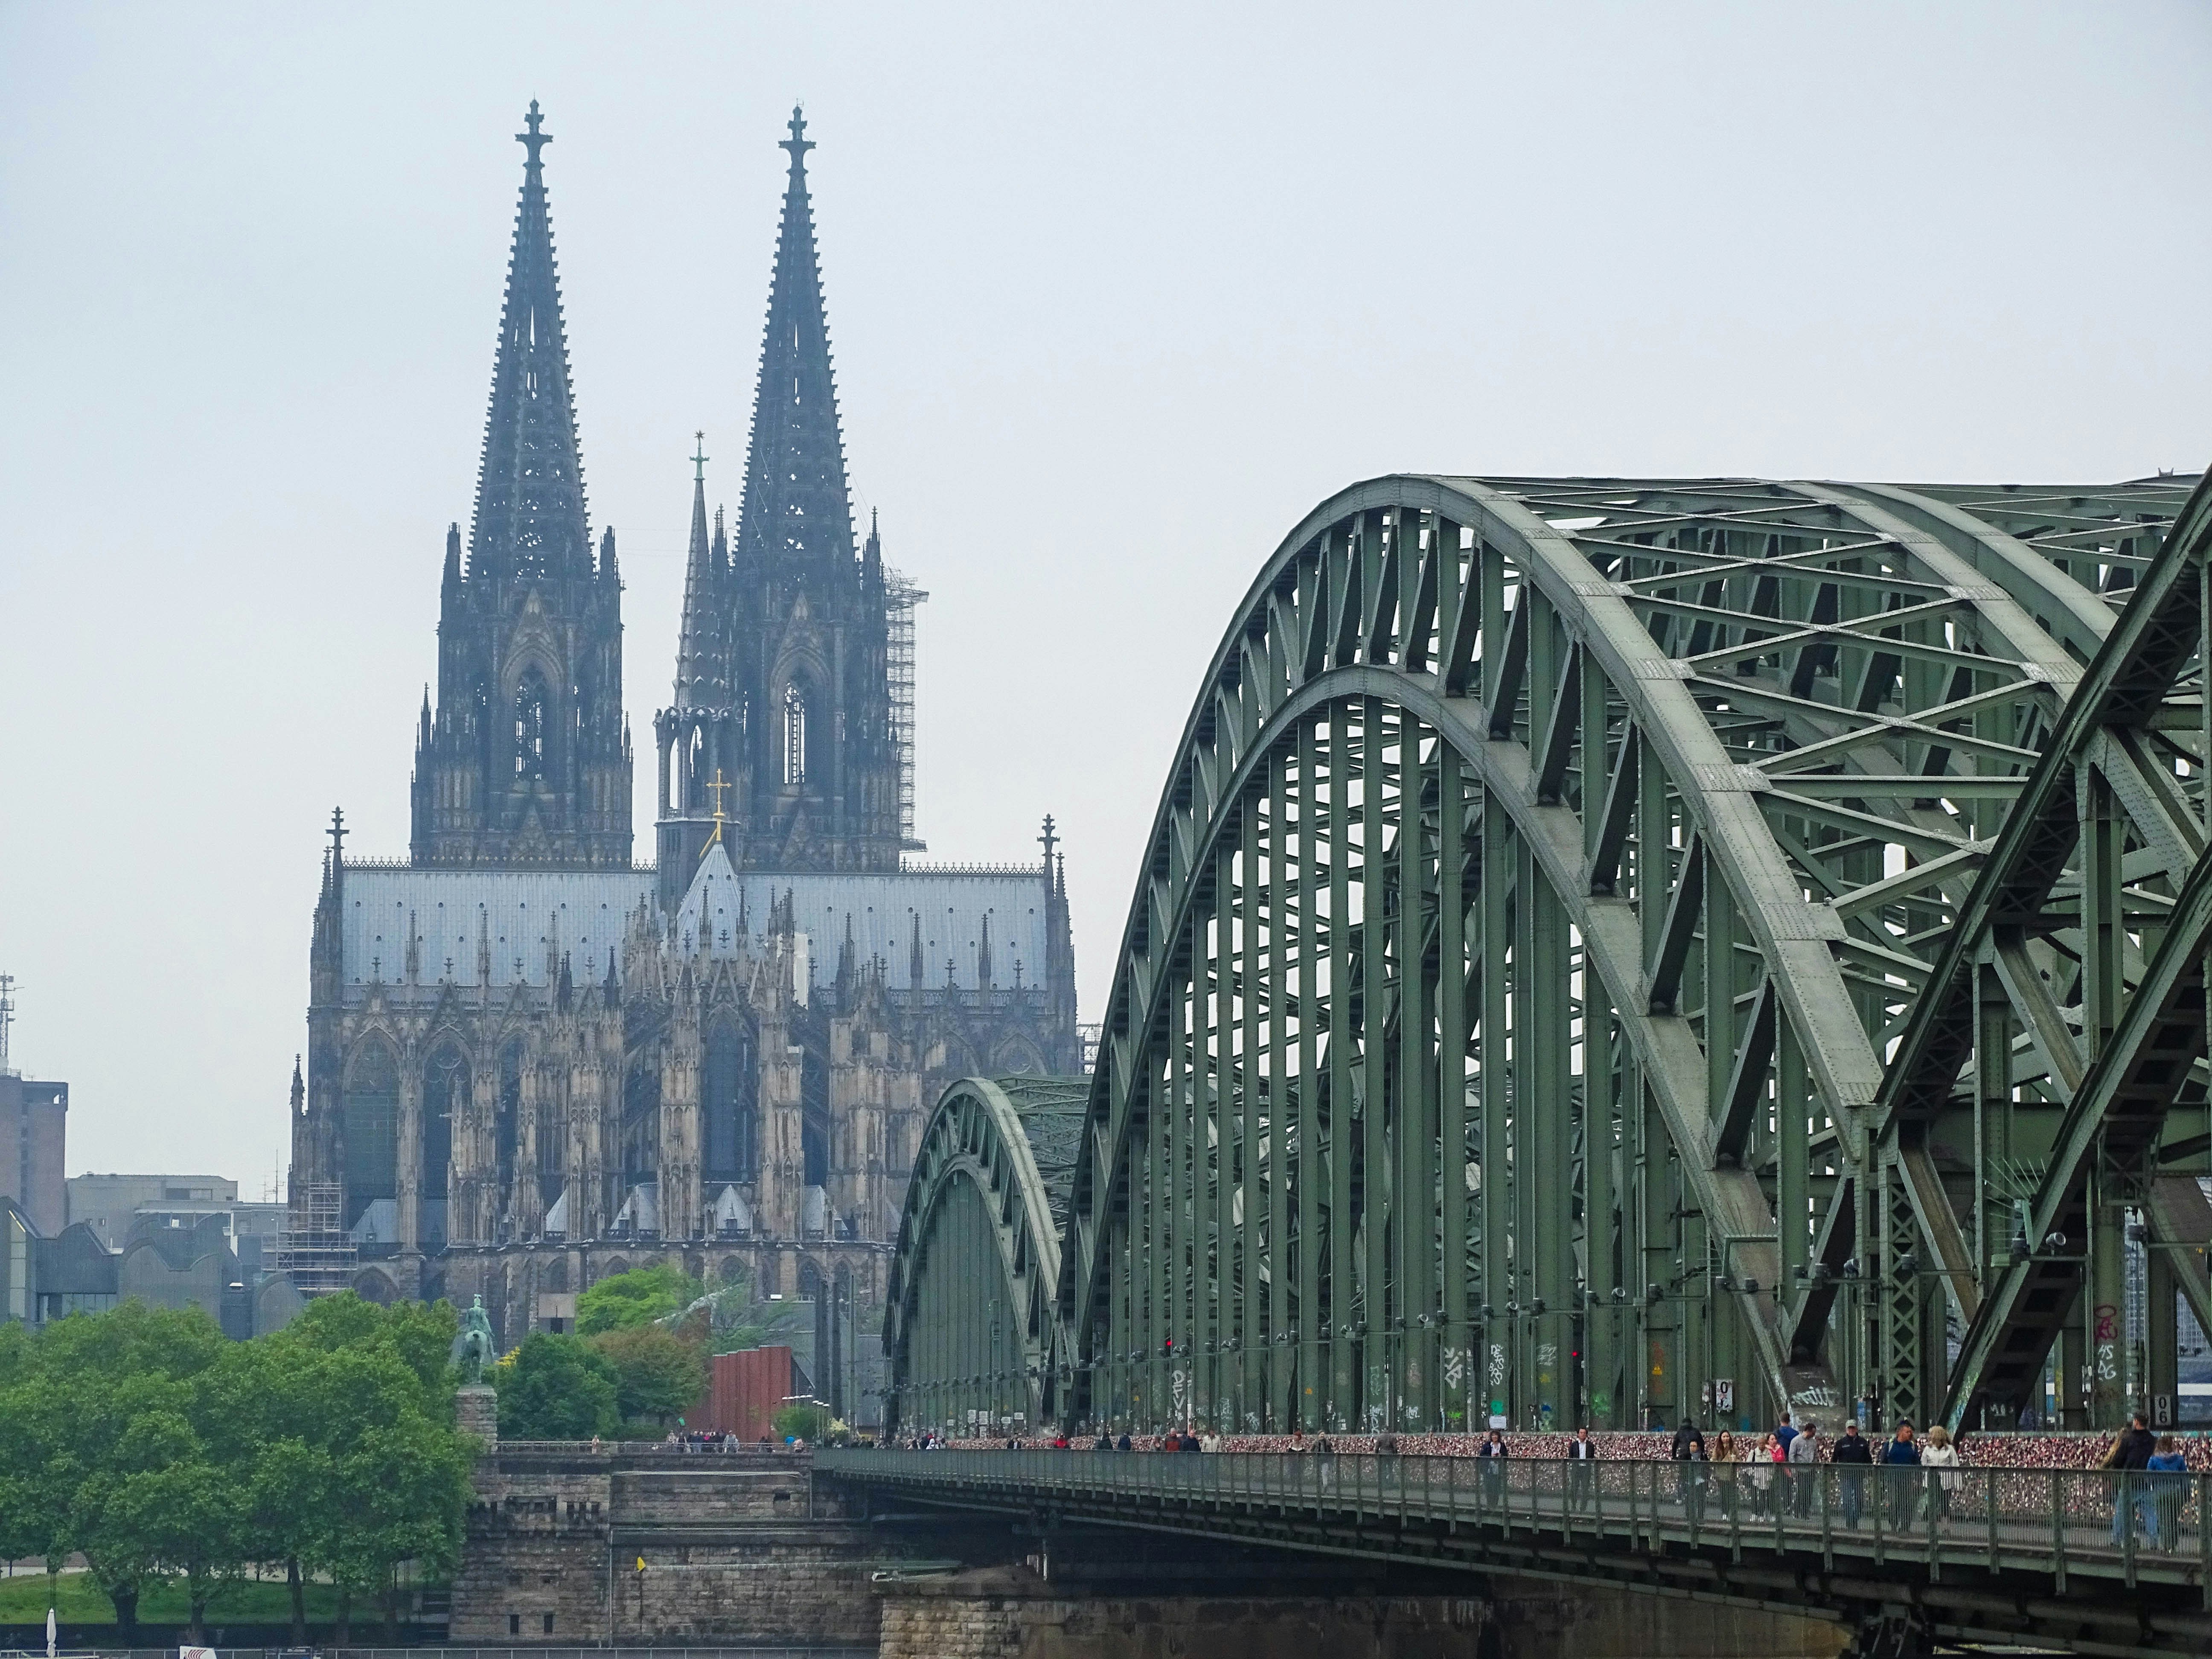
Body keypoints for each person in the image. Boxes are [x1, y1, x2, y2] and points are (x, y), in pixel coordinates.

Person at [2102, 1412, 2157, 1546]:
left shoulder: (2128, 1439)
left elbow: (2118, 1460)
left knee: (2121, 1514)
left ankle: (2115, 1541)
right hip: (2145, 1482)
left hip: (2129, 1482)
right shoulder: (2153, 1440)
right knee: (2150, 1515)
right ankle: (2154, 1543)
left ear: (2137, 1422)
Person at [2148, 1435, 2188, 1551]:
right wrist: (2186, 1493)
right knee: (2173, 1519)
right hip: (2176, 1492)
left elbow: (2148, 1477)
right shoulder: (2179, 1459)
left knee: (2163, 1520)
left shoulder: (2154, 1460)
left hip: (2160, 1492)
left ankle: (2166, 1545)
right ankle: (2173, 1545)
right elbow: (2185, 1478)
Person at [1831, 1421, 1873, 1528]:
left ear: (1856, 1429)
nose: (1851, 1430)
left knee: (1859, 1500)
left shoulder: (1863, 1442)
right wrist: (1831, 1473)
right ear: (1846, 1429)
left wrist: (1871, 1472)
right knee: (1847, 1500)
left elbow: (1868, 1458)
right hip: (1846, 1476)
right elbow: (1834, 1459)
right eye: (1849, 1428)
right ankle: (1850, 1522)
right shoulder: (1841, 1443)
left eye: (1853, 1428)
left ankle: (1855, 1518)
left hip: (1859, 1475)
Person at [1881, 1421, 1921, 1529]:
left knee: (1907, 1504)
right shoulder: (1890, 1445)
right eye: (1907, 1432)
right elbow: (1883, 1461)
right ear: (1900, 1433)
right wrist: (1884, 1477)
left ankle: (1905, 1527)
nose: (1910, 1434)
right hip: (1892, 1479)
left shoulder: (1912, 1446)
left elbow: (1917, 1462)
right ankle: (1893, 1524)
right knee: (1894, 1503)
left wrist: (1917, 1479)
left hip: (1907, 1479)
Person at [1918, 1425, 1960, 1525]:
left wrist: (1958, 1484)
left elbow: (1956, 1465)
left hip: (1946, 1481)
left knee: (1945, 1504)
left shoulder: (1950, 1449)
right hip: (1932, 1479)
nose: (1930, 1436)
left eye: (1931, 1434)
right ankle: (1930, 1527)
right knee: (1932, 1503)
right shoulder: (1928, 1449)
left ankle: (1946, 1527)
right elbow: (1923, 1463)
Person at [1670, 1420, 1706, 1518]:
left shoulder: (1680, 1432)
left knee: (1685, 1481)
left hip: (1683, 1456)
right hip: (1695, 1458)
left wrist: (1674, 1456)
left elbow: (1674, 1445)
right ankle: (1700, 1517)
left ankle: (1686, 1509)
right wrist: (1703, 1453)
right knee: (1700, 1497)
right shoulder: (1695, 1432)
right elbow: (1702, 1444)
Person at [1787, 1419, 1820, 1518]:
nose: (1814, 1435)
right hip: (1800, 1469)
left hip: (1810, 1469)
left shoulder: (1813, 1442)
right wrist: (1794, 1470)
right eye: (1813, 1433)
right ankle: (1797, 1510)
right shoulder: (1796, 1441)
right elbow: (1792, 1456)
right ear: (1808, 1431)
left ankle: (1805, 1512)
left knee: (1809, 1492)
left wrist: (1815, 1463)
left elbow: (1815, 1454)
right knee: (1801, 1491)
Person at [1567, 1425, 1598, 1512]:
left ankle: (1583, 1508)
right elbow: (1571, 1457)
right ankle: (1573, 1506)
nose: (1583, 1435)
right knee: (1574, 1488)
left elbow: (1592, 1457)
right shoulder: (1573, 1445)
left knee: (1585, 1489)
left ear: (1587, 1435)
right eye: (1581, 1433)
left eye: (1584, 1433)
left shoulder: (1590, 1445)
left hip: (1586, 1469)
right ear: (1578, 1434)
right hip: (1576, 1469)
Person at [1710, 1431, 1739, 1522]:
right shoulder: (1717, 1448)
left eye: (1727, 1436)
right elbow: (1714, 1459)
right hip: (1721, 1474)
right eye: (1724, 1437)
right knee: (1723, 1494)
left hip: (1731, 1474)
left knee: (1731, 1494)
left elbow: (1739, 1458)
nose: (1726, 1438)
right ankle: (1724, 1513)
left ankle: (1731, 1513)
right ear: (1721, 1438)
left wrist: (1735, 1460)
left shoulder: (1734, 1448)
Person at [1479, 1427, 1508, 1507]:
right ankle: (1490, 1504)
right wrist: (1490, 1456)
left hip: (1498, 1468)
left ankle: (1495, 1504)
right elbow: (1482, 1455)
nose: (1495, 1437)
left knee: (1497, 1487)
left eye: (1496, 1436)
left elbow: (1506, 1455)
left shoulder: (1502, 1446)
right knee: (1489, 1487)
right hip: (1489, 1468)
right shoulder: (1488, 1445)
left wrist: (1500, 1456)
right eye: (1493, 1436)